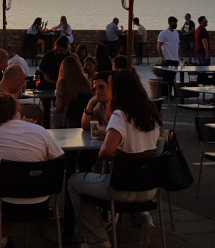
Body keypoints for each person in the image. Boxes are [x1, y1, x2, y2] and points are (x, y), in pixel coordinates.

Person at [68, 70, 164, 248]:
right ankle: (144, 222)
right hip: (149, 188)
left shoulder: (120, 115)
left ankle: (98, 239)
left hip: (121, 186)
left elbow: (106, 152)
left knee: (74, 182)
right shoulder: (152, 114)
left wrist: (111, 145)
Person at [0, 92, 64, 248]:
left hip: (9, 198)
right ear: (17, 107)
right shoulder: (40, 131)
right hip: (42, 198)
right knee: (12, 186)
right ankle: (3, 238)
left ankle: (2, 238)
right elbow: (57, 156)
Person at [0, 64, 39, 129]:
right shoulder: (3, 100)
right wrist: (22, 124)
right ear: (16, 81)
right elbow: (4, 129)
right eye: (21, 83)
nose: (22, 87)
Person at [54, 56, 92, 128]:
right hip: (82, 115)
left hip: (67, 118)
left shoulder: (63, 84)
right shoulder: (85, 81)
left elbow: (59, 105)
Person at [156, 16, 180, 94]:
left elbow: (178, 45)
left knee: (172, 77)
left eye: (176, 23)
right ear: (169, 23)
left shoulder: (176, 33)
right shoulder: (163, 33)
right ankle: (166, 94)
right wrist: (162, 57)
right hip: (167, 59)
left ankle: (172, 94)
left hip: (175, 59)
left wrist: (181, 57)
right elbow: (159, 46)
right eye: (174, 23)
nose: (175, 24)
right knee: (166, 78)